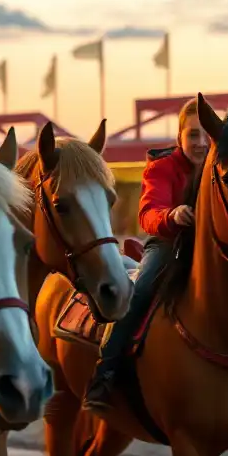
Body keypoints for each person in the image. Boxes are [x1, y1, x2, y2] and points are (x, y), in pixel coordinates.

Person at [84, 98, 205, 412]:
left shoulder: (223, 166)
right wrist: (171, 215)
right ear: (179, 137)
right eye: (193, 134)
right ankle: (105, 372)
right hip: (169, 244)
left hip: (212, 247)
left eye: (207, 134)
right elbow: (148, 213)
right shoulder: (162, 167)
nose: (202, 142)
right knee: (139, 292)